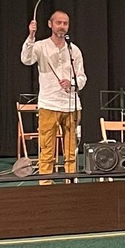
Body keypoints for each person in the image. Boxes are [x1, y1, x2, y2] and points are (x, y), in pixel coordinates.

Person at [21, 10, 87, 184]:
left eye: (65, 23)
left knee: (71, 151)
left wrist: (72, 83)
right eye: (58, 23)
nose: (62, 26)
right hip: (48, 104)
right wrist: (31, 36)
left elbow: (82, 77)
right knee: (47, 150)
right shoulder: (40, 46)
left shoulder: (74, 50)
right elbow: (26, 59)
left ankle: (71, 182)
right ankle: (46, 186)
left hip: (71, 105)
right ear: (50, 24)